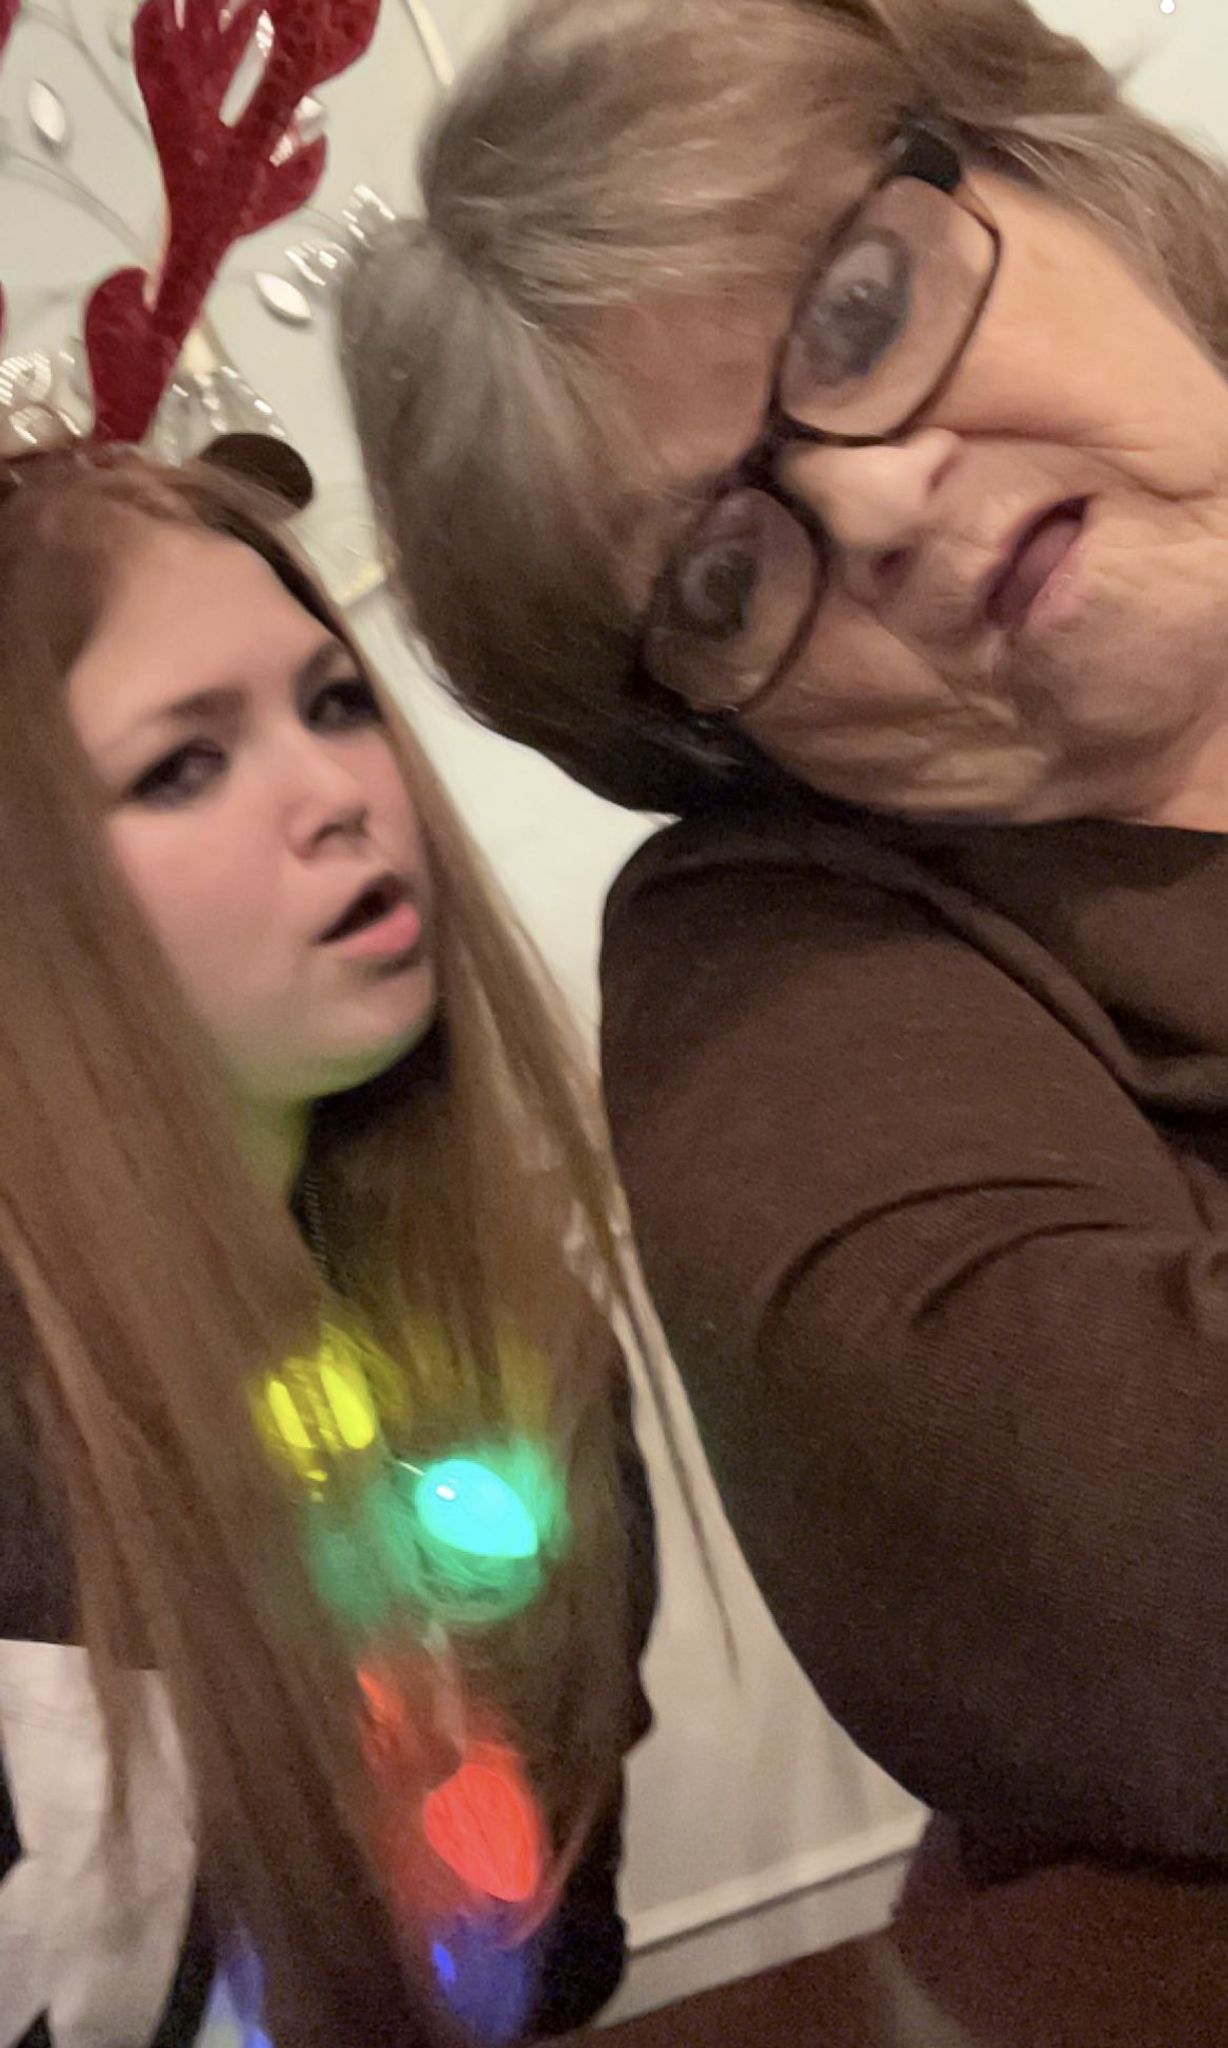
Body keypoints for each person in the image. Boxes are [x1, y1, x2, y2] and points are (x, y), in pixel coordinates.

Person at [342, 0, 1228, 1906]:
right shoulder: (773, 951)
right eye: (725, 577)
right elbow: (1119, 1567)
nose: (881, 500)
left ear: (1060, 174)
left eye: (860, 311)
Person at [0, 445, 652, 2048]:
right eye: (182, 765)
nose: (339, 793)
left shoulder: (520, 1341)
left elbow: (552, 1967)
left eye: (336, 700)